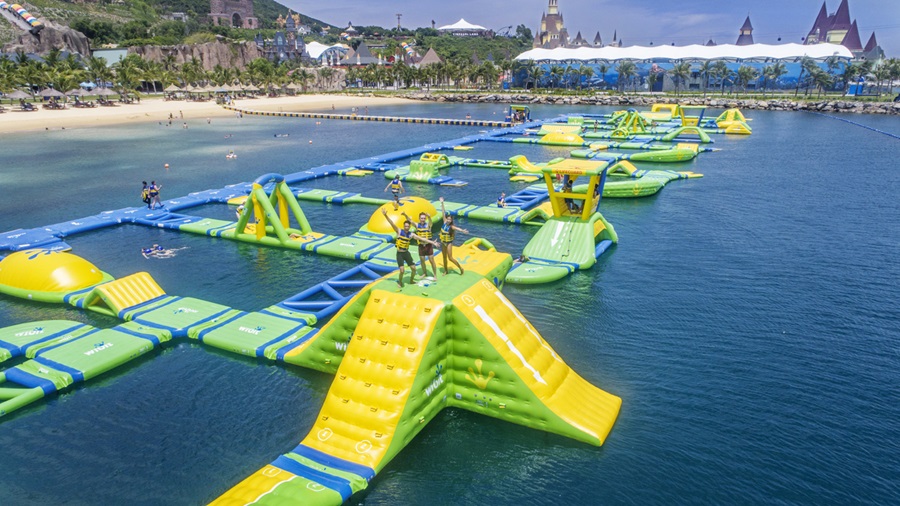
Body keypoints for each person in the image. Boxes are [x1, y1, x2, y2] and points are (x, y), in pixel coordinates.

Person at [381, 208, 438, 288]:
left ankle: (412, 280)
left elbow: (422, 238)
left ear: (409, 227)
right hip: (400, 253)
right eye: (406, 226)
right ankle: (400, 282)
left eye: (408, 226)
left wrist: (432, 242)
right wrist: (385, 215)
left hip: (408, 252)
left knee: (414, 268)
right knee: (402, 270)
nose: (407, 227)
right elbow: (392, 223)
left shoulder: (412, 234)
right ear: (404, 226)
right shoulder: (399, 231)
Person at [403, 210, 438, 279]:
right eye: (421, 218)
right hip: (421, 245)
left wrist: (429, 217)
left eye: (424, 218)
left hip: (428, 245)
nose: (423, 219)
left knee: (431, 260)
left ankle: (435, 275)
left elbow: (430, 222)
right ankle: (424, 273)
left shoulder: (428, 225)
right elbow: (410, 221)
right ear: (419, 218)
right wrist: (405, 215)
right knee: (422, 260)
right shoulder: (417, 225)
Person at [438, 197, 469, 275]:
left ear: (451, 220)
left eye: (450, 219)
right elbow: (443, 212)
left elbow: (457, 228)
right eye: (448, 219)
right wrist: (442, 203)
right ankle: (446, 270)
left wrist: (463, 231)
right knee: (444, 257)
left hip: (448, 243)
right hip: (443, 242)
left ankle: (460, 268)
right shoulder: (444, 222)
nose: (448, 220)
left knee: (450, 258)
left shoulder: (451, 227)